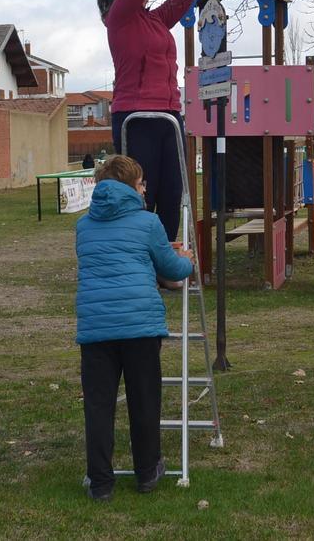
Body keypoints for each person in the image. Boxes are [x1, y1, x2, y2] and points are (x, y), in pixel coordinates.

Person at [75, 155, 195, 501]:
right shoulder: (148, 222)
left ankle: (100, 482)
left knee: (98, 406)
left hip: (96, 326)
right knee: (144, 401)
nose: (146, 189)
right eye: (142, 183)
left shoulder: (83, 226)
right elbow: (170, 267)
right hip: (140, 324)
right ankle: (146, 472)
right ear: (131, 187)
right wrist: (187, 260)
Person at [98, 0, 197, 241]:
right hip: (135, 118)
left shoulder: (155, 20)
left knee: (171, 194)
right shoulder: (119, 19)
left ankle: (166, 259)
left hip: (169, 117)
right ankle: (139, 258)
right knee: (140, 195)